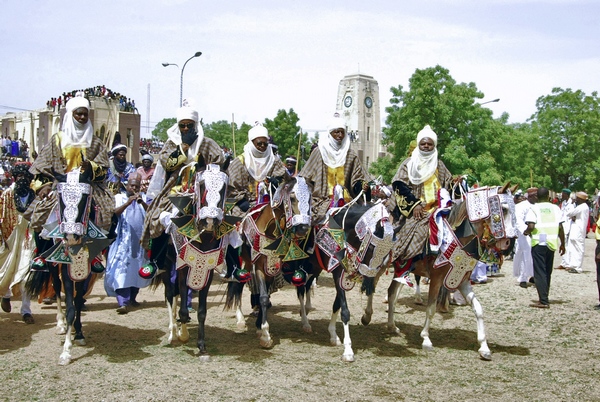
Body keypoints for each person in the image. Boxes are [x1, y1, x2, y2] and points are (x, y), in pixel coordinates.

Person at [28, 96, 114, 303]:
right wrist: (43, 186)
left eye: (85, 114)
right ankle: (41, 255)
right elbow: (40, 168)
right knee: (39, 216)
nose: (82, 117)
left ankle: (94, 256)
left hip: (89, 188)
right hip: (61, 187)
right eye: (79, 113)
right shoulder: (58, 139)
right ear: (71, 115)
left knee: (107, 215)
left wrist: (91, 168)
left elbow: (103, 169)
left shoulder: (95, 142)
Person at [141, 105, 224, 267]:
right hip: (175, 190)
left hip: (204, 192)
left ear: (196, 125)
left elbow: (220, 162)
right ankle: (155, 262)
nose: (186, 128)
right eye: (182, 125)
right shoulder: (172, 143)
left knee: (225, 221)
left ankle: (227, 264)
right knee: (158, 216)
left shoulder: (207, 144)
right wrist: (184, 146)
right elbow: (167, 163)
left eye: (189, 125)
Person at [390, 125, 453, 264]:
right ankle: (404, 266)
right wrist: (415, 204)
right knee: (418, 233)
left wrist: (458, 183)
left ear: (434, 146)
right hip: (419, 211)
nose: (426, 146)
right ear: (418, 145)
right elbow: (398, 184)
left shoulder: (440, 165)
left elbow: (448, 184)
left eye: (429, 144)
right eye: (423, 143)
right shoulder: (409, 163)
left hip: (440, 210)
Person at [299, 114, 371, 225]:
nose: (340, 135)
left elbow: (357, 178)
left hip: (347, 202)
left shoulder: (350, 155)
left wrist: (362, 186)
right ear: (330, 133)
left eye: (342, 132)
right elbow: (305, 178)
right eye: (336, 132)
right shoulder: (319, 152)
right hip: (321, 201)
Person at [104, 173, 151, 314]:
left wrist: (141, 202)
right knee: (122, 272)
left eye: (137, 186)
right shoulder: (119, 198)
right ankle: (122, 302)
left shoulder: (143, 198)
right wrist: (127, 203)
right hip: (122, 243)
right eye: (132, 186)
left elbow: (151, 213)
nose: (134, 188)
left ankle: (132, 298)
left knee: (136, 271)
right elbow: (114, 214)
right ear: (127, 185)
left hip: (139, 244)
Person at [0, 163, 36, 323]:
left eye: (26, 177)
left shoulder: (34, 196)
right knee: (7, 270)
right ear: (15, 177)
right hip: (10, 237)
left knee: (26, 273)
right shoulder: (6, 195)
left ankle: (26, 310)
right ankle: (6, 295)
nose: (23, 179)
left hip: (28, 240)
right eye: (20, 176)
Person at [226, 122, 287, 218]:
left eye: (265, 144)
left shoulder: (274, 160)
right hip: (245, 204)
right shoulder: (240, 162)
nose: (262, 146)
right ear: (252, 143)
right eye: (259, 143)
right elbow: (231, 188)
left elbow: (285, 180)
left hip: (270, 202)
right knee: (238, 223)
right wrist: (241, 201)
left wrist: (277, 184)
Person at [524, 187, 565, 308]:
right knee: (547, 271)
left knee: (539, 272)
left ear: (537, 196)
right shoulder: (556, 208)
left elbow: (531, 226)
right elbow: (561, 228)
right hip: (552, 243)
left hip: (538, 242)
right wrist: (563, 244)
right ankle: (545, 296)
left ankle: (543, 300)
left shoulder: (534, 208)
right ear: (548, 196)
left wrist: (525, 232)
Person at [513, 188, 536, 288]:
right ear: (530, 196)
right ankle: (523, 278)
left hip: (535, 234)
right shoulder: (521, 206)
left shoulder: (537, 206)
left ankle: (534, 276)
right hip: (524, 234)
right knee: (525, 255)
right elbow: (518, 220)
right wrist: (525, 231)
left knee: (535, 255)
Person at [564, 191, 590, 274]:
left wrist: (571, 204)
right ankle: (573, 265)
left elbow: (569, 213)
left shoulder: (582, 206)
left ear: (580, 199)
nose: (576, 200)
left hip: (579, 230)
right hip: (576, 229)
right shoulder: (582, 206)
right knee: (573, 247)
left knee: (578, 248)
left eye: (577, 199)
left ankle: (578, 267)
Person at [556, 188, 574, 270]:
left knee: (566, 245)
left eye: (562, 194)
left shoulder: (571, 204)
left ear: (566, 195)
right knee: (562, 244)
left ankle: (567, 263)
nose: (561, 196)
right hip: (562, 225)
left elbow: (571, 216)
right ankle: (563, 263)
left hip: (567, 226)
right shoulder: (563, 203)